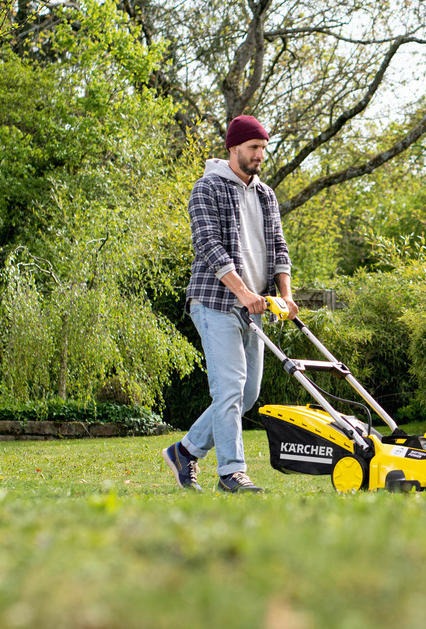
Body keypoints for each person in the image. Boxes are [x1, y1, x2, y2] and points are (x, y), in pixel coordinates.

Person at [163, 115, 299, 494]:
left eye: (263, 149)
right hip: (215, 302)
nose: (260, 155)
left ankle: (185, 451)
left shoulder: (266, 194)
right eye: (254, 148)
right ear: (233, 147)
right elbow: (208, 245)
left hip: (255, 308)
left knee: (247, 394)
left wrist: (284, 295)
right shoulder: (207, 188)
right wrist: (243, 293)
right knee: (229, 390)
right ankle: (232, 473)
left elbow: (279, 247)